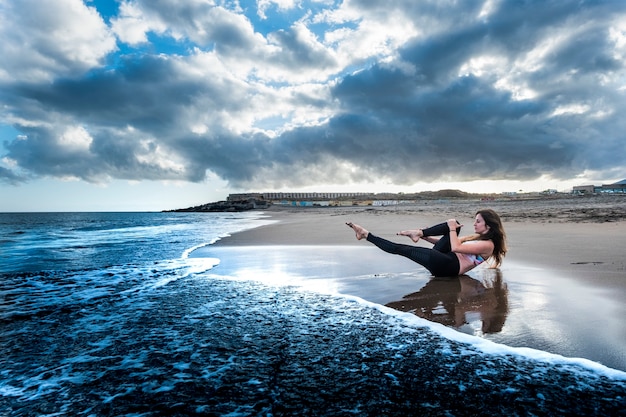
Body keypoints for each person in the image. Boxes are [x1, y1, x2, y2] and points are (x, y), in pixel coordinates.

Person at [346, 209, 507, 277]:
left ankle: (366, 235)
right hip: (447, 259)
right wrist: (427, 238)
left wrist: (451, 229)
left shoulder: (489, 245)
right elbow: (452, 246)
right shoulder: (479, 240)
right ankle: (419, 234)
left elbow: (456, 246)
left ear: (489, 225)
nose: (474, 224)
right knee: (454, 223)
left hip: (448, 267)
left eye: (478, 221)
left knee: (402, 249)